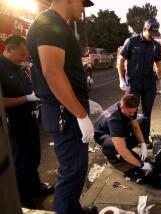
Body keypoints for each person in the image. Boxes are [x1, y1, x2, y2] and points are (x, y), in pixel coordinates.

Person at [26, 0, 101, 213]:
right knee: (73, 169)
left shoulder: (55, 22)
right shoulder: (50, 23)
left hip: (65, 109)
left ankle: (71, 208)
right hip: (64, 112)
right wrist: (80, 113)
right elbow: (53, 71)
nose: (83, 6)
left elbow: (64, 71)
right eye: (81, 2)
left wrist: (84, 103)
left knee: (75, 168)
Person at [0, 35, 54, 208]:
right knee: (20, 161)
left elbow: (30, 89)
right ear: (9, 49)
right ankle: (22, 197)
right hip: (14, 123)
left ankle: (35, 186)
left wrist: (35, 95)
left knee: (34, 156)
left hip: (30, 119)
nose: (25, 58)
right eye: (22, 54)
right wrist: (26, 98)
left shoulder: (20, 68)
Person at [118, 19, 161, 142]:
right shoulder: (131, 42)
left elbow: (159, 65)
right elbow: (121, 60)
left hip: (149, 84)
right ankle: (128, 138)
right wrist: (121, 79)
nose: (152, 37)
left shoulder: (156, 46)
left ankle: (144, 138)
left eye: (155, 34)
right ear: (144, 29)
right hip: (133, 84)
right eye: (150, 33)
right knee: (129, 111)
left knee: (147, 112)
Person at [94, 94, 152, 172]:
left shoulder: (129, 106)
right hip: (102, 134)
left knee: (143, 120)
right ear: (121, 107)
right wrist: (141, 165)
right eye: (130, 112)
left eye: (134, 111)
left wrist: (143, 144)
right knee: (118, 146)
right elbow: (121, 149)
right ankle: (108, 151)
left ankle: (127, 151)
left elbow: (136, 127)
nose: (132, 114)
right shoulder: (114, 119)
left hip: (119, 126)